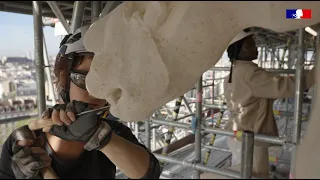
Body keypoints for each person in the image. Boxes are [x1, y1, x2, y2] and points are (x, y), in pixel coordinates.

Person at [0, 26, 160, 179]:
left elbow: (149, 173)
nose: (96, 91)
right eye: (84, 79)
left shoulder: (111, 130)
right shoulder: (25, 143)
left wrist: (101, 136)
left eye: (106, 82)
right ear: (63, 80)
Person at [222, 30, 315, 178]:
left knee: (242, 172)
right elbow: (286, 87)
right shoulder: (251, 74)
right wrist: (314, 74)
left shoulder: (232, 73)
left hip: (236, 134)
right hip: (251, 137)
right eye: (250, 45)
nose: (256, 48)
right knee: (258, 174)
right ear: (240, 49)